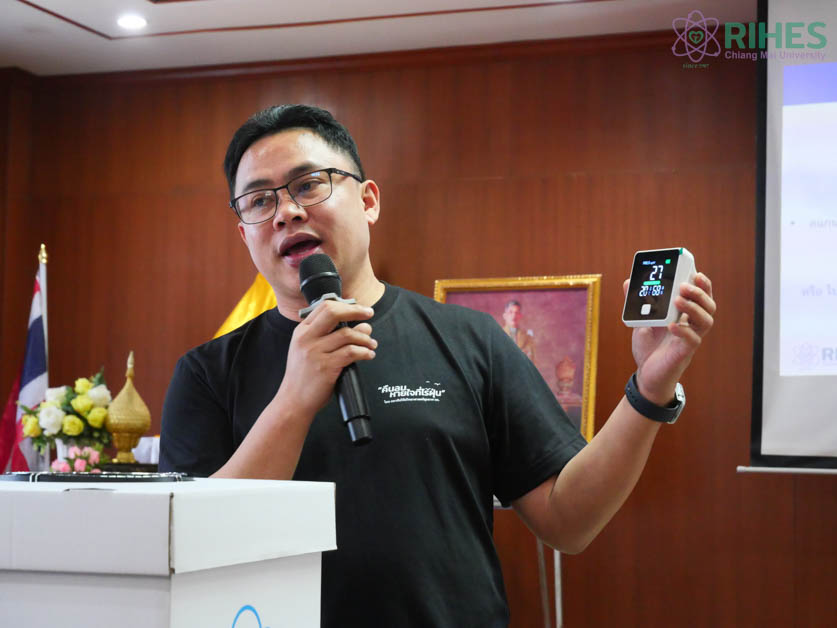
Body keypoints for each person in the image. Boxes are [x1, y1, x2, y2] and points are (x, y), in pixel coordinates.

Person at [159, 104, 716, 627]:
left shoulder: (470, 340)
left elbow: (569, 522)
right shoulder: (207, 374)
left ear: (369, 201)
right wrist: (294, 399)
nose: (287, 212)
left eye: (308, 185)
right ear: (245, 234)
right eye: (260, 201)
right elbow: (195, 545)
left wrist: (649, 389)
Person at [501, 299, 536, 364]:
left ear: (520, 315)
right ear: (505, 315)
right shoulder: (498, 334)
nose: (514, 315)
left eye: (516, 312)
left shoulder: (527, 336)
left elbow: (532, 359)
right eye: (510, 312)